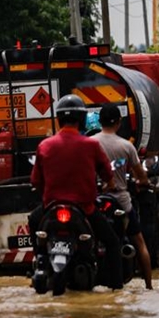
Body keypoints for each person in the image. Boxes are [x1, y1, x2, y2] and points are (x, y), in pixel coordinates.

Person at [29, 95, 123, 289]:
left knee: (32, 220)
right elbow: (108, 175)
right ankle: (117, 289)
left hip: (51, 209)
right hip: (85, 209)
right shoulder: (91, 145)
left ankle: (39, 256)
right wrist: (110, 184)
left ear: (58, 119)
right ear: (82, 120)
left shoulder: (44, 145)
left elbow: (35, 181)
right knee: (113, 242)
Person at [92, 103, 154, 290]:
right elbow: (141, 176)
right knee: (140, 242)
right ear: (119, 123)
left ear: (100, 121)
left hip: (95, 201)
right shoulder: (126, 146)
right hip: (121, 202)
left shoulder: (90, 143)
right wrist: (143, 183)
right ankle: (149, 286)